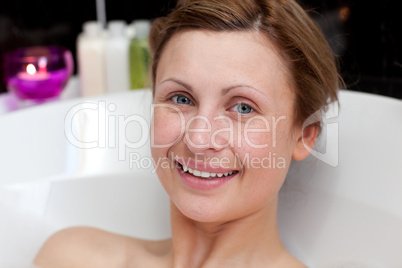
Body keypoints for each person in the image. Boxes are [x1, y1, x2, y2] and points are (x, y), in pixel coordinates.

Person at [34, 0, 341, 267]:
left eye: (243, 108)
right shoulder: (69, 258)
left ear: (304, 136)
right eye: (181, 99)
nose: (198, 139)